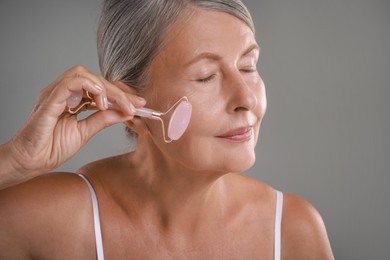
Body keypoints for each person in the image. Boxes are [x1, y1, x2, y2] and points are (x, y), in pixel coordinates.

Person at [0, 0, 334, 259]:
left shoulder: (294, 231)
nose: (246, 98)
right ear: (131, 108)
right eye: (206, 76)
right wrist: (15, 161)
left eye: (249, 66)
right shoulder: (53, 222)